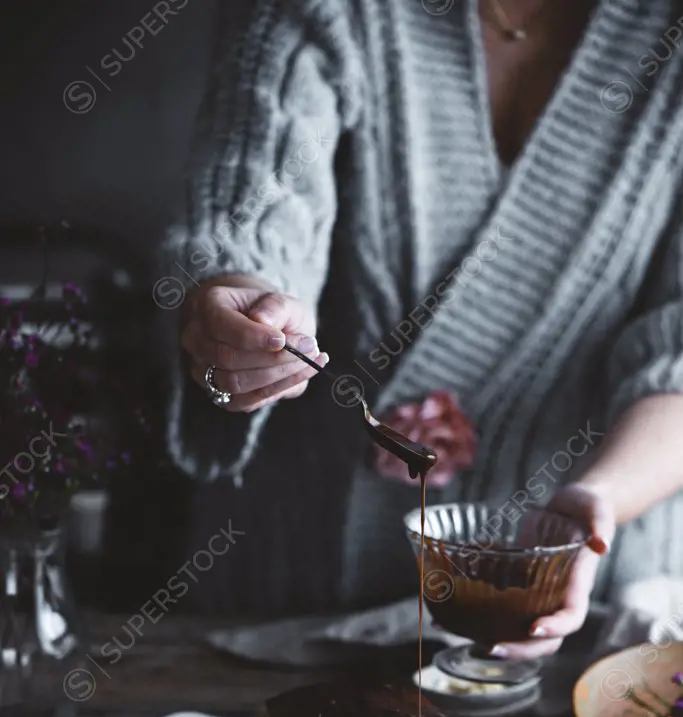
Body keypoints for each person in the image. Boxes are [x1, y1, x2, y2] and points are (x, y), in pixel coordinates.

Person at [165, 0, 683, 657]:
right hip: (301, 582)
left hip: (582, 612)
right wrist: (241, 311)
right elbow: (255, 204)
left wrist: (595, 498)